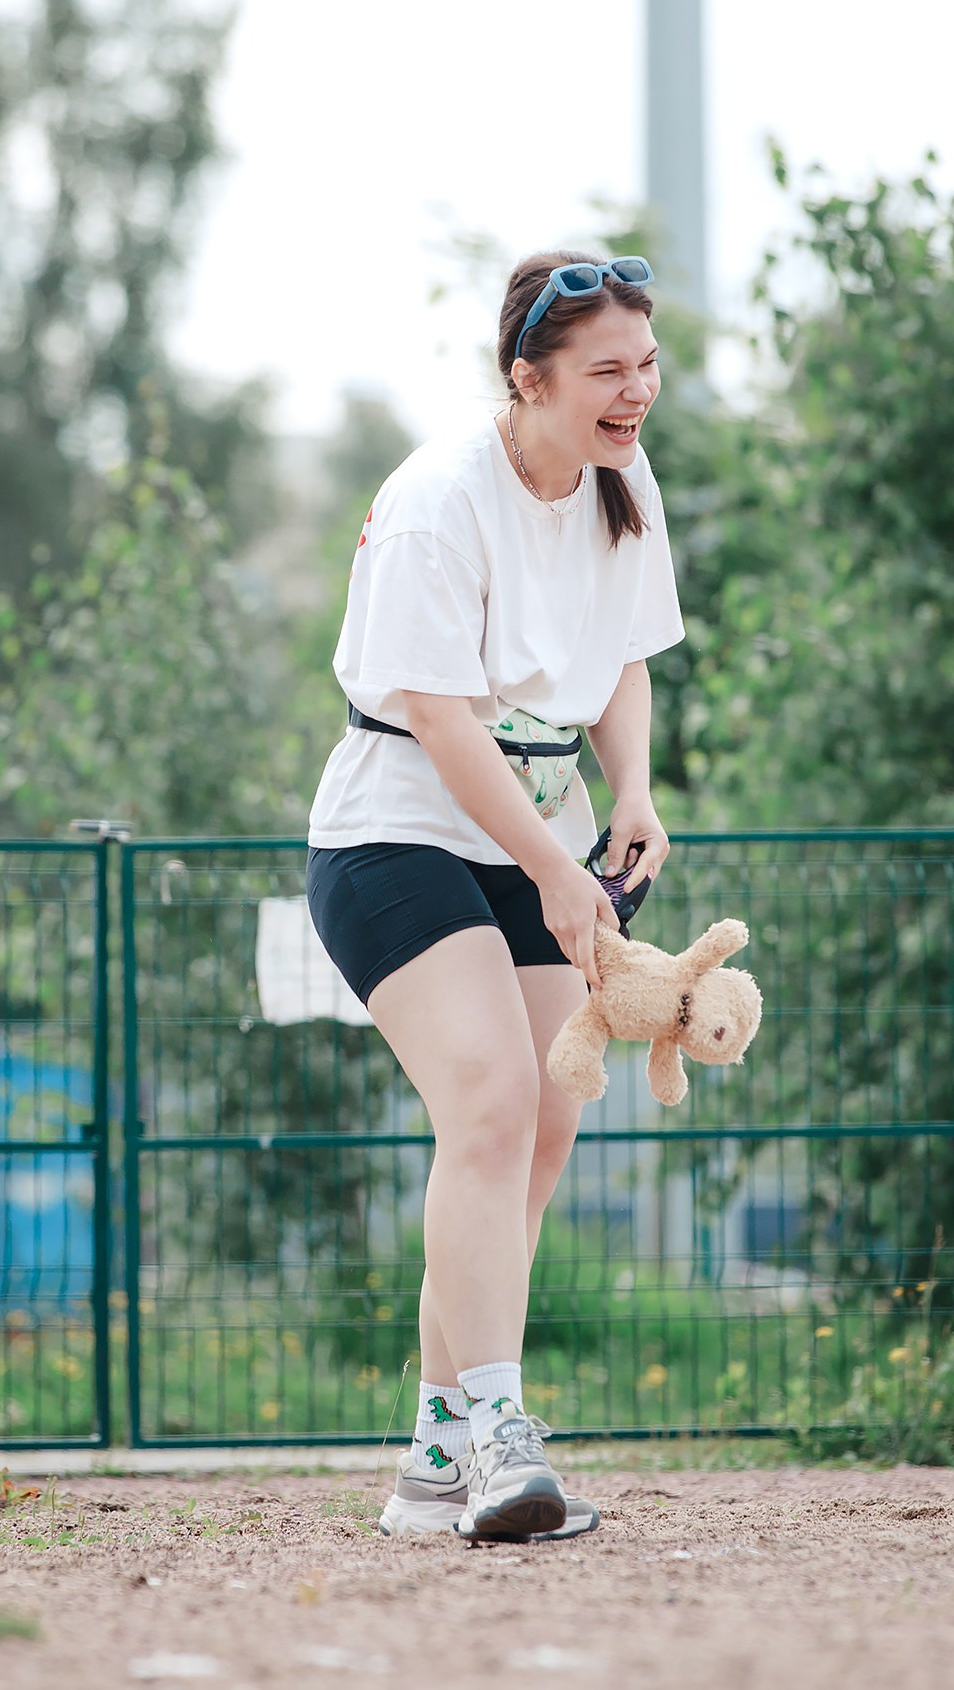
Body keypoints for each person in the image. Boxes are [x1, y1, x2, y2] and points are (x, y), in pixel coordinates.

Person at [306, 251, 679, 1539]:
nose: (635, 392)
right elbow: (443, 723)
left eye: (644, 365)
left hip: (542, 831)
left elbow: (623, 655)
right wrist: (553, 872)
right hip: (397, 830)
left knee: (541, 1126)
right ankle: (502, 1441)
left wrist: (629, 792)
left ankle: (431, 1457)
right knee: (488, 1096)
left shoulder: (622, 486)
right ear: (527, 379)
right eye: (605, 372)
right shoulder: (435, 500)